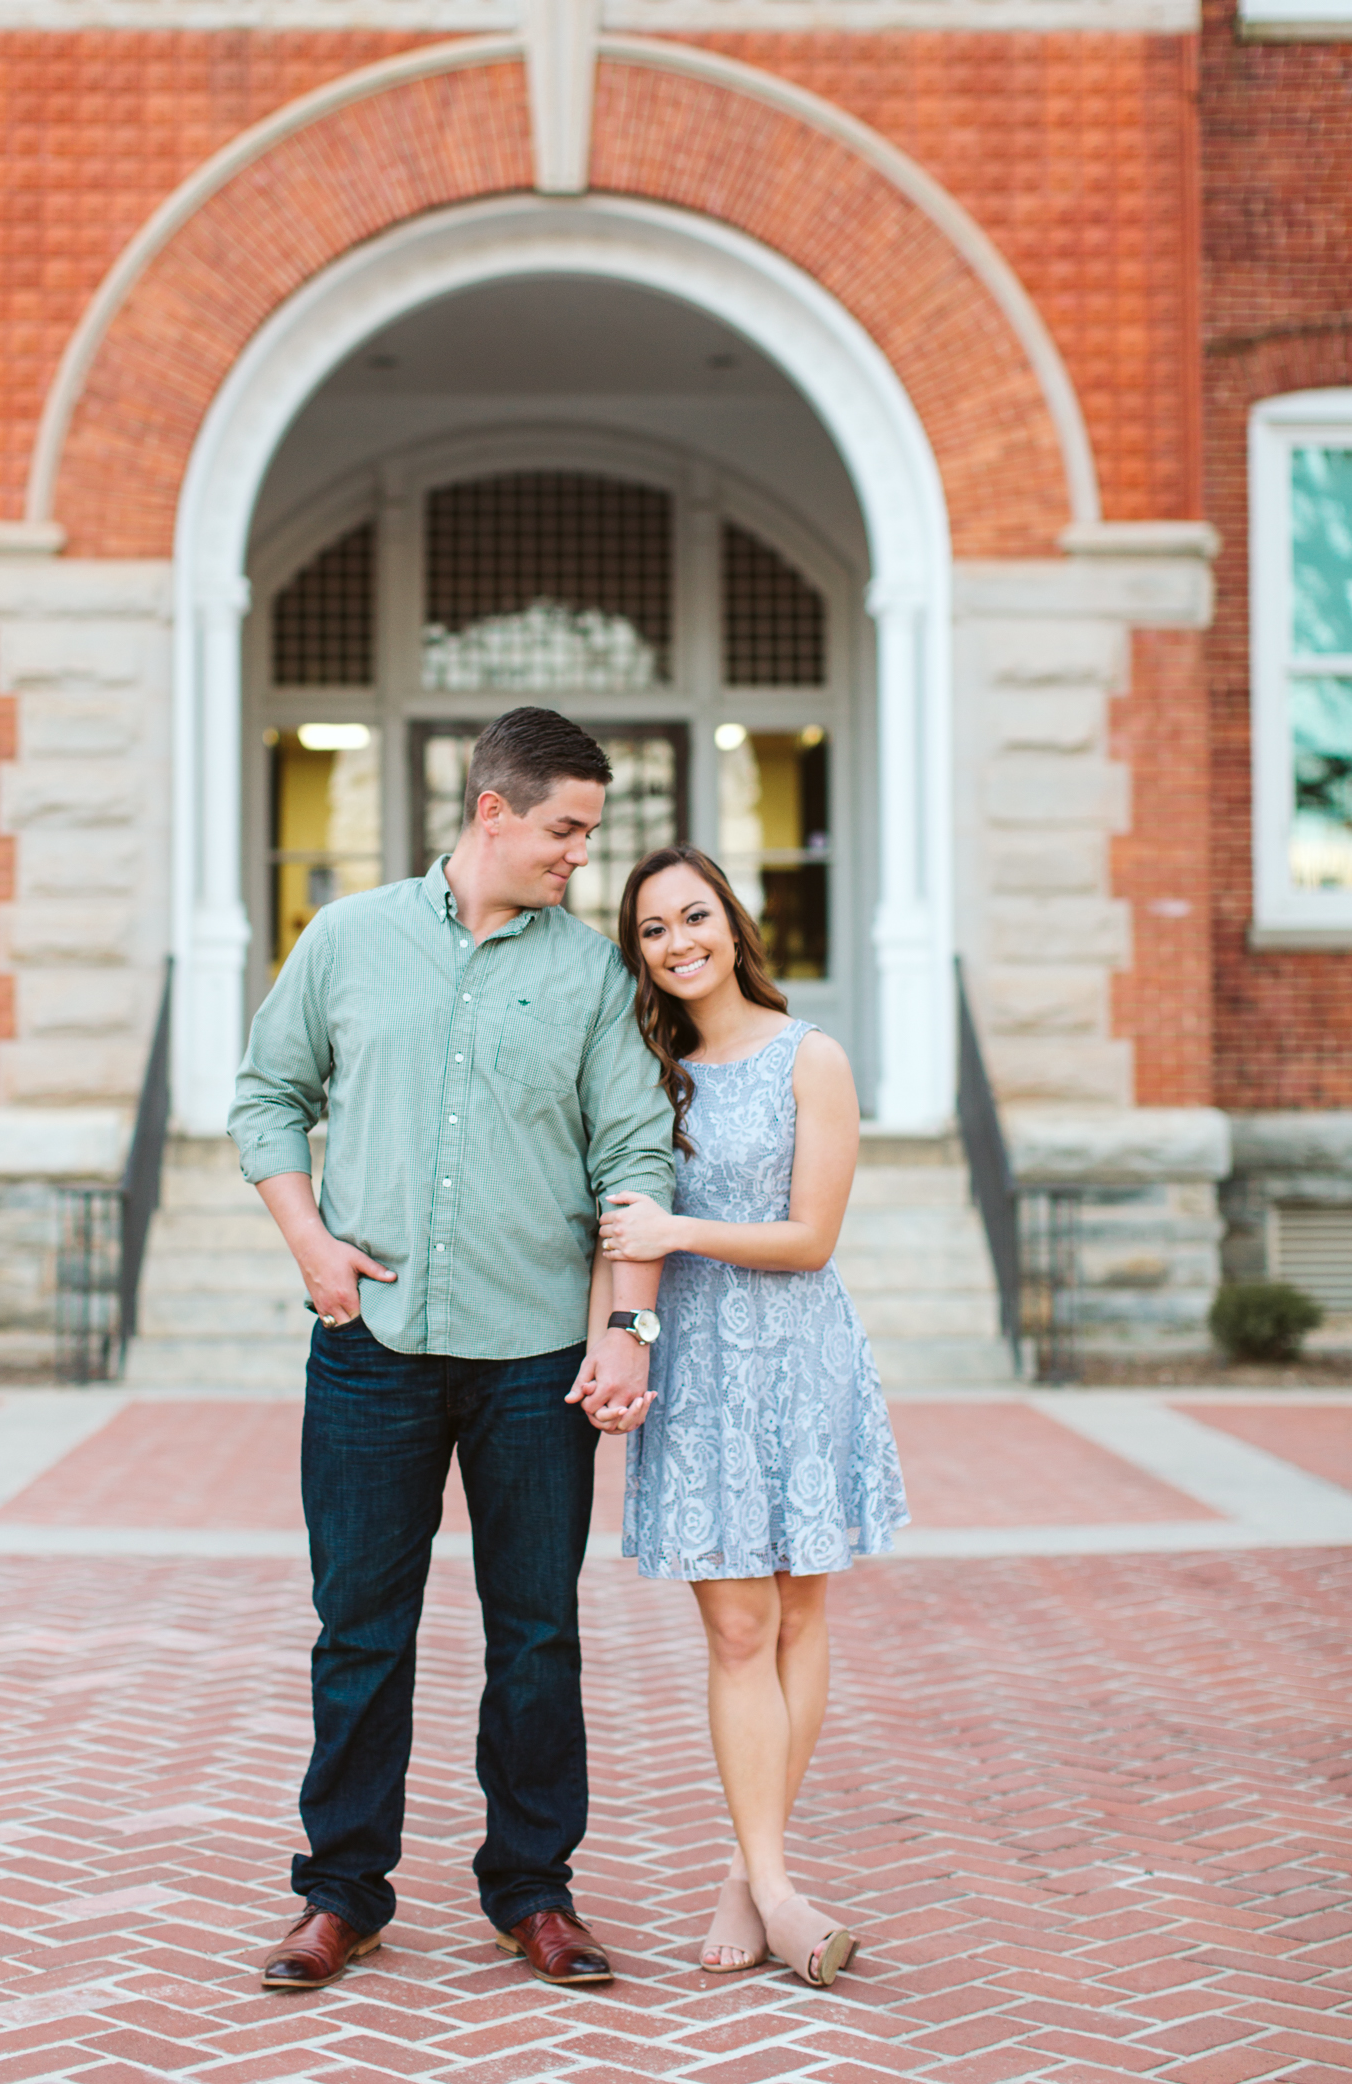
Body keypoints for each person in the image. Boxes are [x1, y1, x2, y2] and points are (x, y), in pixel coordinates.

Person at [228, 706, 675, 1992]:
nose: (580, 856)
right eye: (564, 829)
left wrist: (629, 1328)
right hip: (370, 1350)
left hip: (536, 1357)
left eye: (586, 834)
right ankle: (340, 1892)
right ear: (493, 811)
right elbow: (267, 1095)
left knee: (535, 1631)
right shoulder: (350, 938)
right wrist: (310, 1242)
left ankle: (534, 1891)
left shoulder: (593, 972)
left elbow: (633, 1160)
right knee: (359, 1626)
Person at [595, 842, 908, 1989]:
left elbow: (811, 1237)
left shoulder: (808, 1057)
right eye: (652, 931)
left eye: (693, 916)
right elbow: (616, 1226)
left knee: (798, 1615)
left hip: (799, 1354)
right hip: (698, 1368)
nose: (678, 943)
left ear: (733, 920)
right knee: (734, 1626)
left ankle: (748, 1870)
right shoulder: (641, 1069)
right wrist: (620, 1340)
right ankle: (781, 1890)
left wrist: (682, 1232)